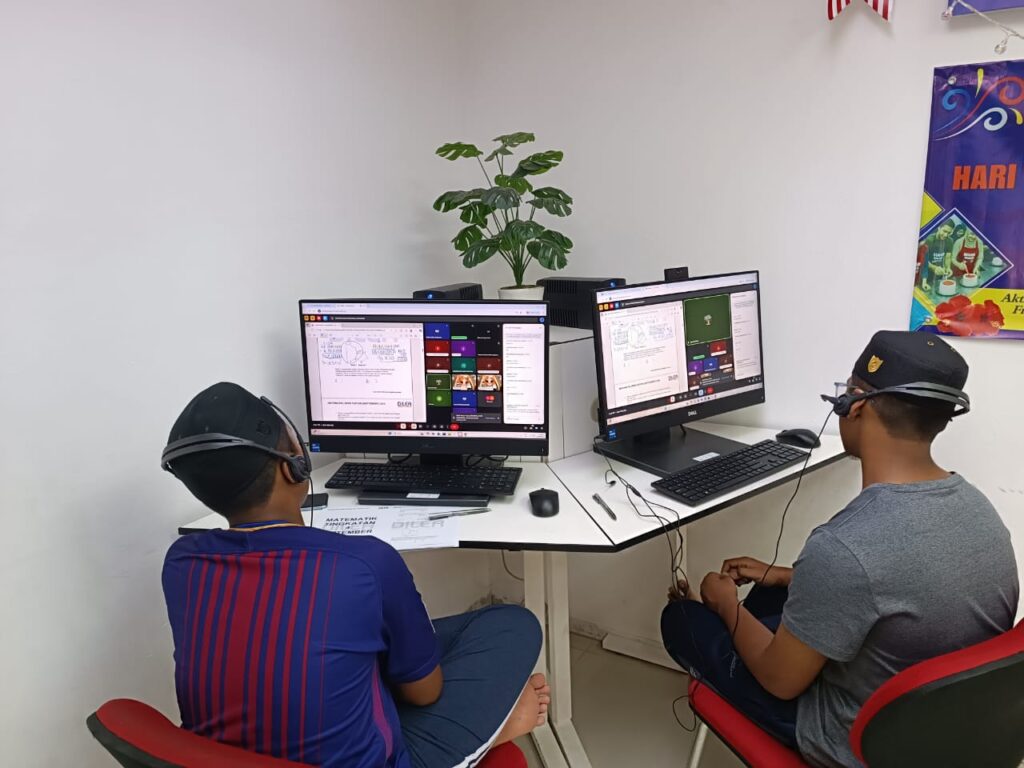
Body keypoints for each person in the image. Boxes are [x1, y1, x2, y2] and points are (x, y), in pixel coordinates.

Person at [660, 331, 1018, 768]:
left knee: (682, 619)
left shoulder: (843, 546)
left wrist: (725, 607)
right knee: (774, 593)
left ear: (855, 405)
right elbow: (909, 585)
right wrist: (786, 576)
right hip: (945, 730)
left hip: (855, 740)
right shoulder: (981, 511)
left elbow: (780, 682)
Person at [160, 382, 549, 768]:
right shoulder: (366, 562)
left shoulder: (181, 562)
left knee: (384, 643)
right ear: (292, 466)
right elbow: (424, 694)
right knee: (514, 624)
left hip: (226, 758)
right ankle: (497, 731)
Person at [921, 222, 955, 293]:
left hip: (939, 274)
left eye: (949, 233)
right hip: (925, 274)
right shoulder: (929, 240)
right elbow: (923, 259)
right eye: (944, 231)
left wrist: (948, 268)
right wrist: (934, 267)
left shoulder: (950, 241)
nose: (946, 235)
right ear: (939, 228)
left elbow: (947, 257)